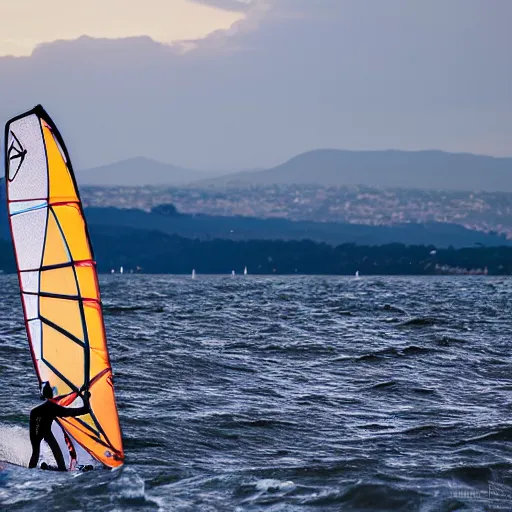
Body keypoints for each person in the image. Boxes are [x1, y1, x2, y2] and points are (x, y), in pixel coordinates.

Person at [28, 382, 90, 471]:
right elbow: (78, 411)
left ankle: (33, 469)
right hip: (38, 430)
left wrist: (81, 391)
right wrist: (86, 399)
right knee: (39, 452)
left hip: (39, 430)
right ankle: (60, 468)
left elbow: (66, 399)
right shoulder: (52, 407)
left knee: (38, 452)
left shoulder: (48, 406)